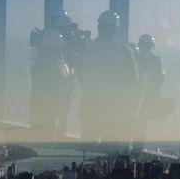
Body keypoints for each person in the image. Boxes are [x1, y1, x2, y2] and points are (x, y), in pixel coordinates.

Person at [77, 10, 138, 143]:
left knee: (87, 144)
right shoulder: (124, 50)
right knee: (110, 146)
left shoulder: (86, 48)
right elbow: (133, 78)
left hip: (90, 103)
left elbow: (80, 75)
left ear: (99, 27)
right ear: (115, 29)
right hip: (114, 105)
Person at [29, 28, 74, 141]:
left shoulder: (50, 61)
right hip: (46, 108)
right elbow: (48, 87)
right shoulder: (44, 64)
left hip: (49, 107)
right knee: (44, 136)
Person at [132, 34, 172, 143]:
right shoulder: (135, 58)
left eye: (146, 45)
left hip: (146, 97)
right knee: (136, 122)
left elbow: (159, 80)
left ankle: (137, 144)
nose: (145, 48)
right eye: (143, 45)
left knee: (140, 122)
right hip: (136, 96)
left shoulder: (153, 60)